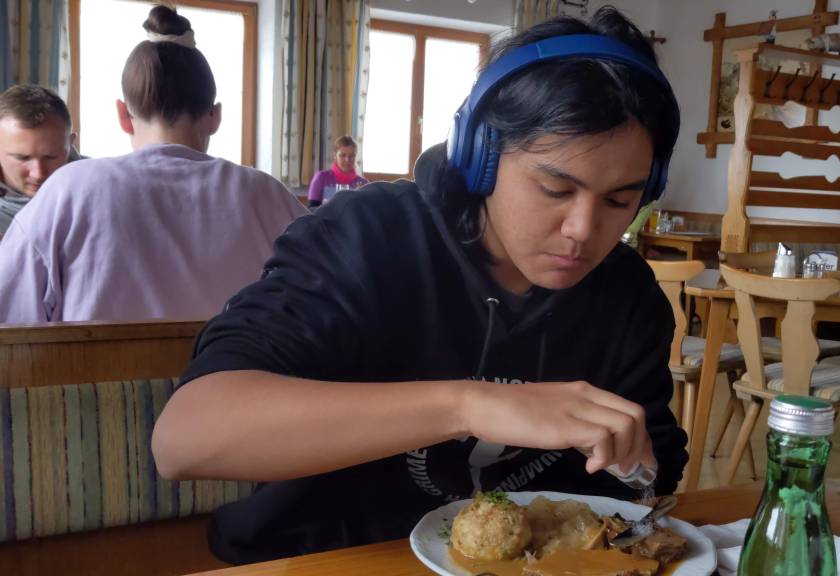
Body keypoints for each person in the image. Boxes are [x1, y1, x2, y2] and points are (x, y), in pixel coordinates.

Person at [152, 6, 685, 565]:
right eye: (555, 188)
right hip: (327, 560)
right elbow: (185, 438)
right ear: (482, 155)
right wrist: (470, 404)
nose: (583, 230)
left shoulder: (627, 295)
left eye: (619, 200)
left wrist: (637, 470)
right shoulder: (366, 238)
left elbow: (647, 488)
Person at [0, 6, 307, 323]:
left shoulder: (67, 191)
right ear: (215, 117)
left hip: (101, 358)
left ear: (123, 115)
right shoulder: (268, 194)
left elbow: (10, 319)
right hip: (237, 356)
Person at [0, 84, 80, 234]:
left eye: (51, 157)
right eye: (22, 158)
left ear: (70, 143)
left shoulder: (102, 188)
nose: (38, 174)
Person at [306, 135, 369, 209]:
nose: (347, 160)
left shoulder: (364, 184)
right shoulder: (321, 177)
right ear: (335, 156)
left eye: (351, 156)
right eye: (342, 155)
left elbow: (367, 211)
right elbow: (312, 209)